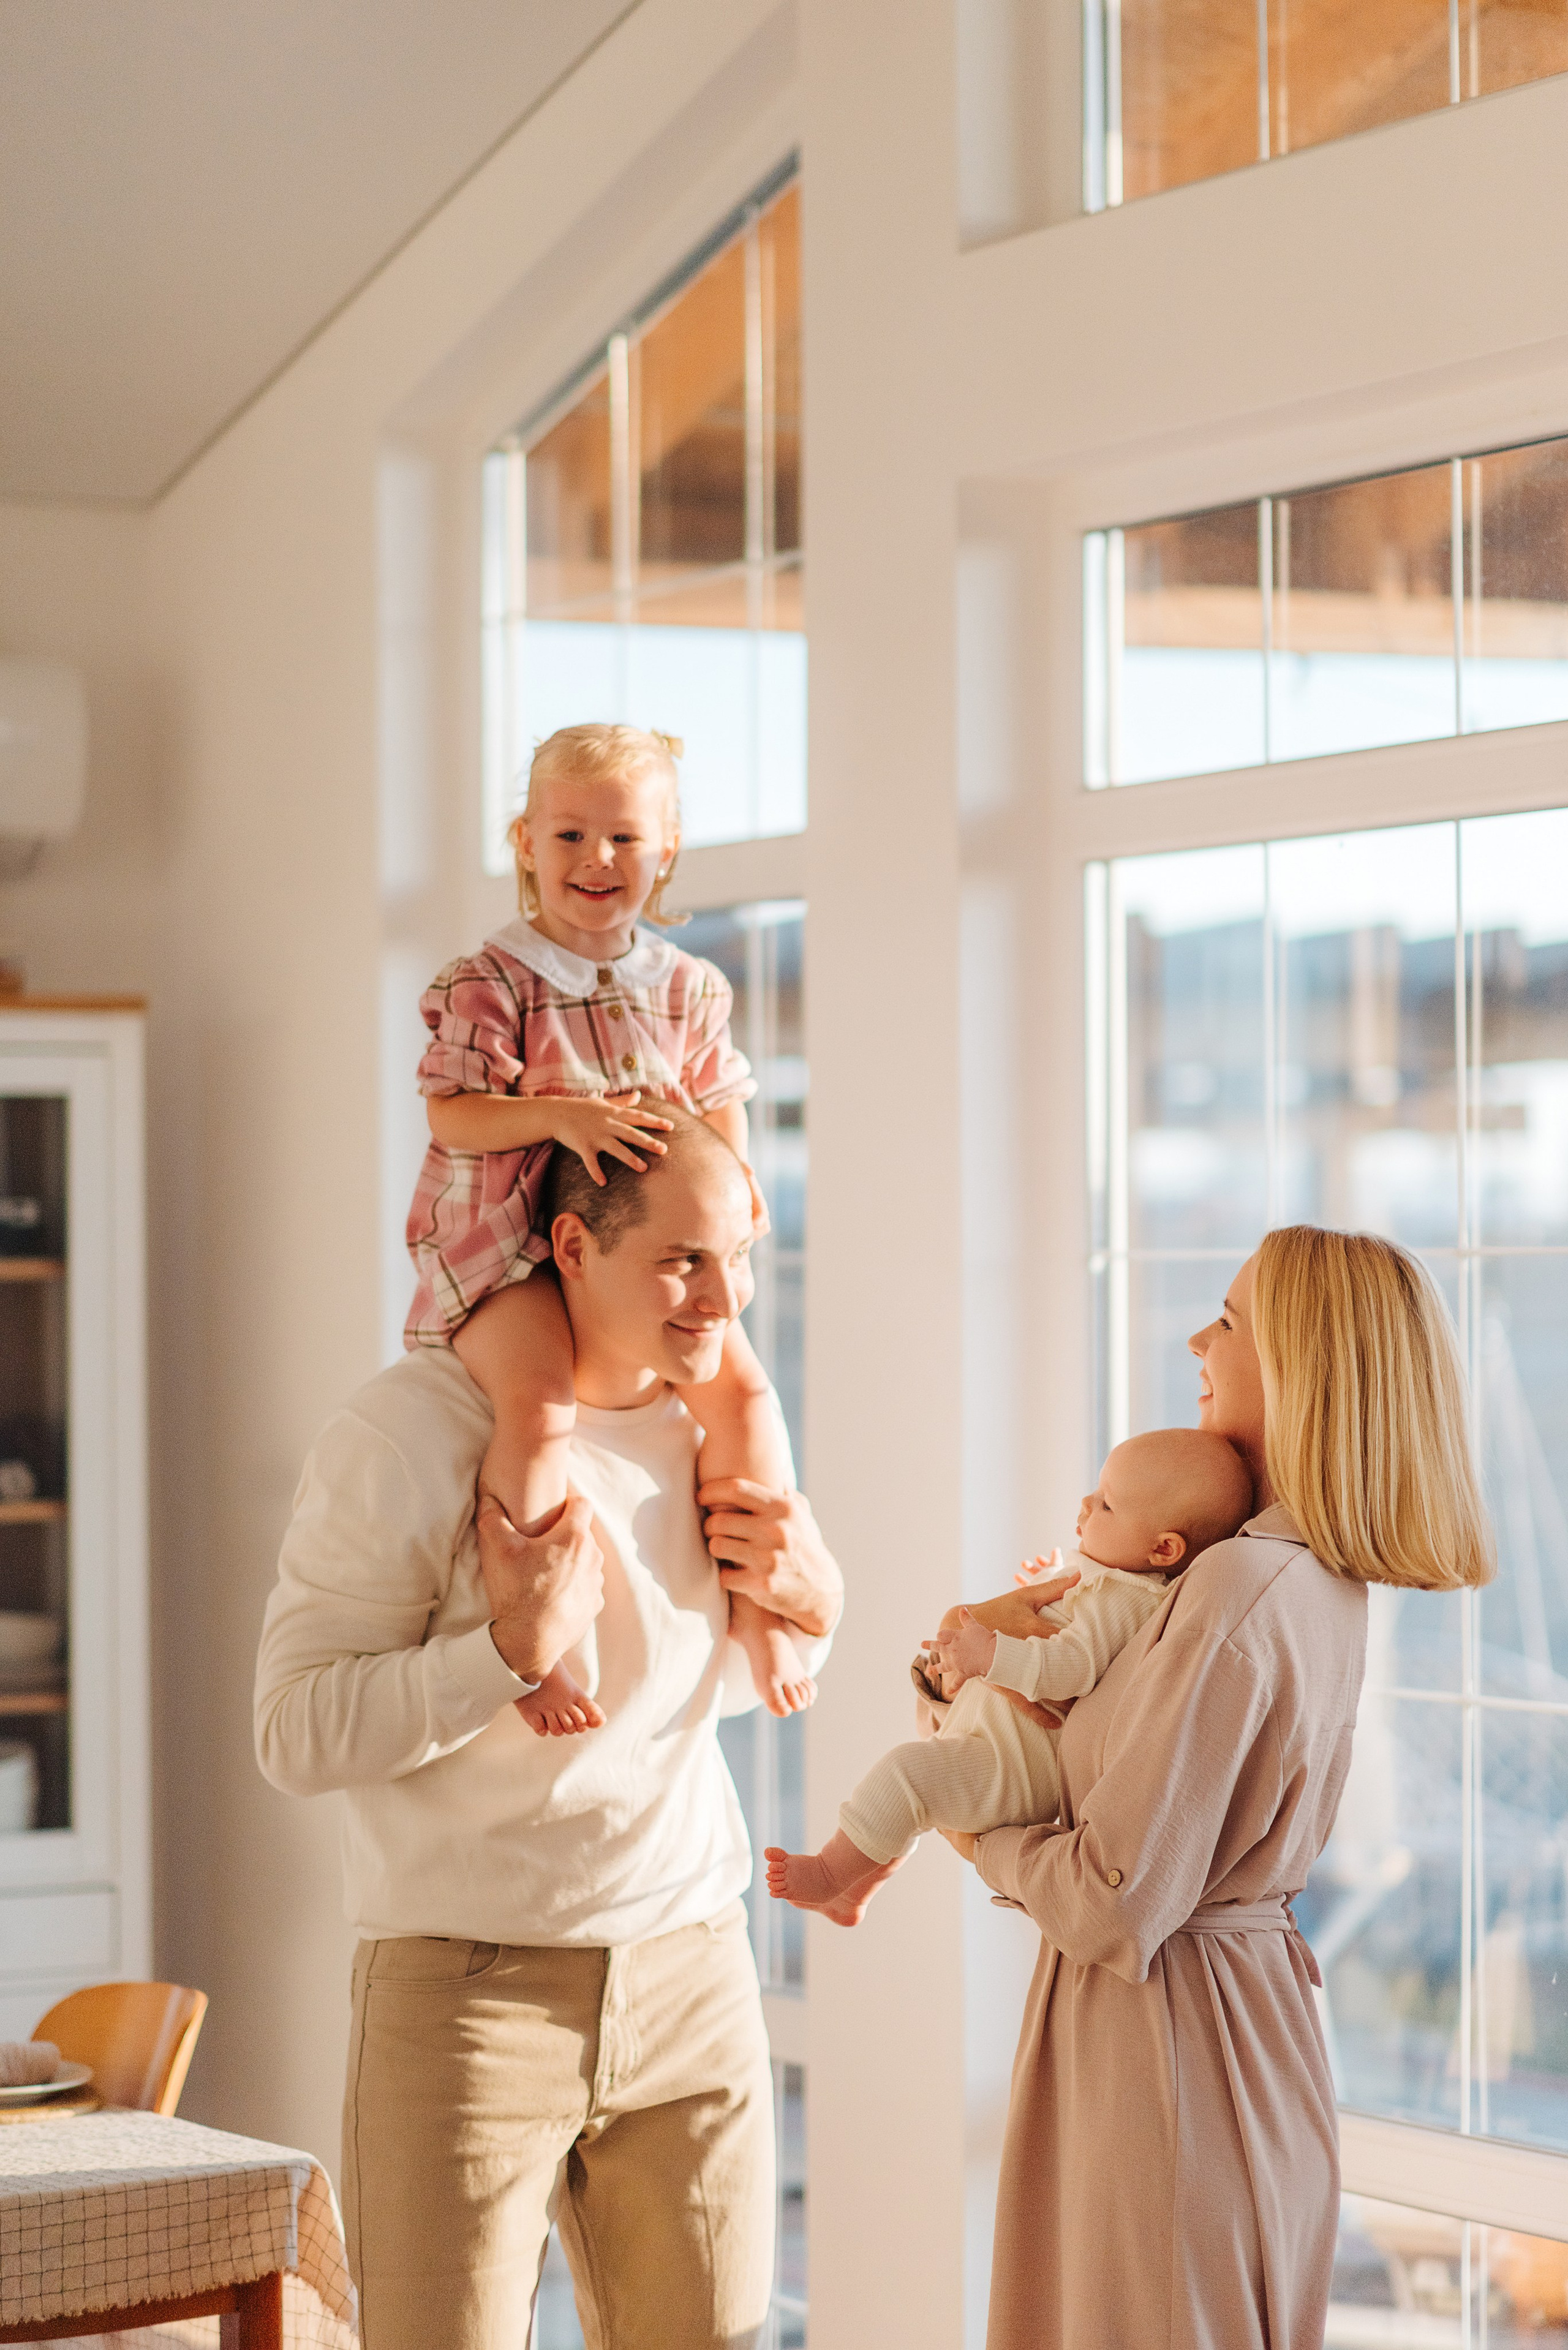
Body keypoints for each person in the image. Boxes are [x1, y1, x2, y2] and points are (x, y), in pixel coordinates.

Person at [254, 1111, 842, 2350]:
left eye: (740, 1254)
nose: (722, 1297)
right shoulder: (406, 1433)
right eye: (683, 1259)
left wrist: (814, 1603)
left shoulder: (713, 1437)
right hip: (465, 2000)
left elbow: (711, 1683)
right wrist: (505, 1654)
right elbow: (295, 1731)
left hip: (691, 1976)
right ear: (570, 1244)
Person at [954, 1225, 1493, 2350]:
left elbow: (1112, 1895)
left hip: (1164, 2045)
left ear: (1301, 1367)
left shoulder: (1239, 1585)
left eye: (1232, 1322)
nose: (1199, 1337)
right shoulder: (1301, 1574)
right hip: (1217, 2027)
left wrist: (975, 1833)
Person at [406, 719, 812, 1733]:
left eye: (626, 839)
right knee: (539, 1406)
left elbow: (722, 1106)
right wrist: (559, 1113)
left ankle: (759, 1605)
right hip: (511, 1248)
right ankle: (528, 1638)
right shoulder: (493, 982)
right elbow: (452, 1110)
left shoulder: (687, 987)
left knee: (749, 1397)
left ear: (665, 850)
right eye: (571, 837)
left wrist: (739, 1197)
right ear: (527, 843)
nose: (598, 861)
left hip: (634, 1253)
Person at [763, 1428, 1251, 1926]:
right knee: (916, 1797)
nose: (1086, 1503)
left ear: (1164, 1549)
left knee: (906, 1777)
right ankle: (854, 1890)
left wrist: (991, 1654)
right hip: (994, 1740)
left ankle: (830, 1871)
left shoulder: (1128, 1598)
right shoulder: (1112, 1581)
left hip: (1012, 1765)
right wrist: (1055, 1582)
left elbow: (1072, 1668)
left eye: (1107, 1505)